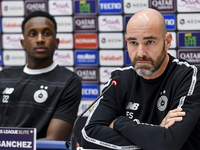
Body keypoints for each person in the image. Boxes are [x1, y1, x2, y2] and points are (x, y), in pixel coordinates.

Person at [81, 8, 200, 150]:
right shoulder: (119, 80)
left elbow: (169, 143)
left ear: (167, 41)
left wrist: (119, 123)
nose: (140, 53)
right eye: (133, 43)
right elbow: (89, 135)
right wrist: (155, 137)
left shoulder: (188, 76)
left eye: (149, 42)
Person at [0, 11, 82, 141]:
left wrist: (10, 145)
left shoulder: (69, 81)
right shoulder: (3, 77)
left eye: (47, 33)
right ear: (23, 43)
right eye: (32, 34)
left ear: (56, 42)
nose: (40, 39)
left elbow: (54, 140)